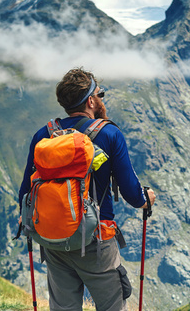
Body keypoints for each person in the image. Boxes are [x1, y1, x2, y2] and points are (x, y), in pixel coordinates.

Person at [18, 67, 156, 311]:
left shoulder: (44, 136)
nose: (101, 99)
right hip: (96, 240)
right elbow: (131, 193)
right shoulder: (109, 134)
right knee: (112, 305)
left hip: (53, 239)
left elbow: (25, 192)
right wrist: (146, 199)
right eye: (100, 94)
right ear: (91, 100)